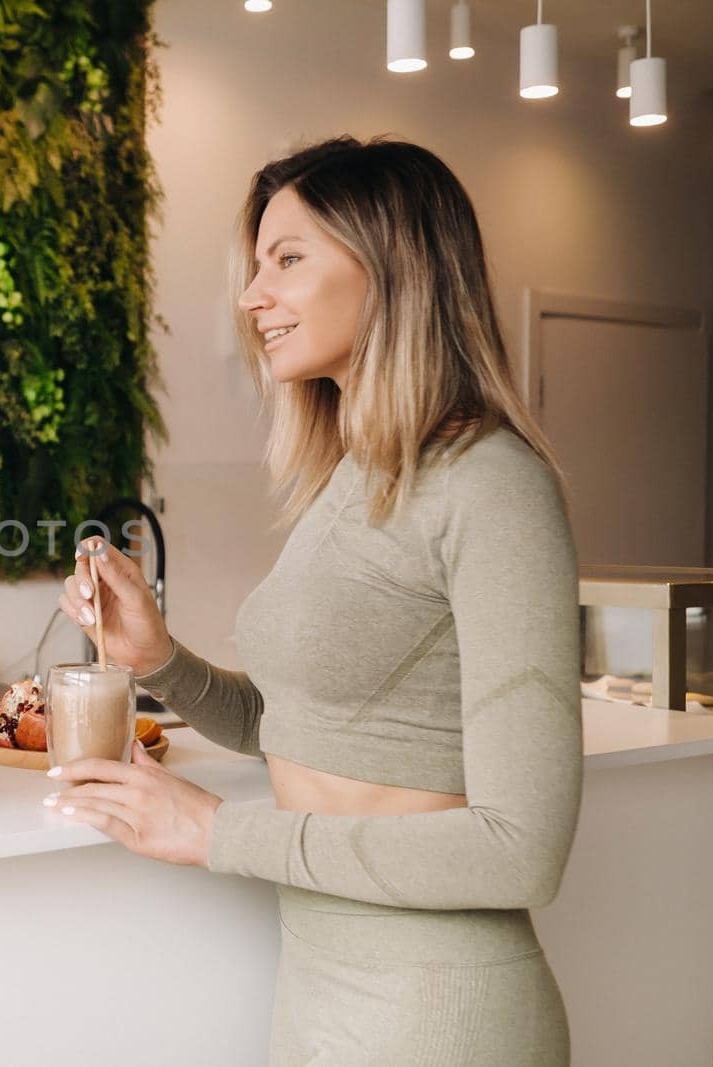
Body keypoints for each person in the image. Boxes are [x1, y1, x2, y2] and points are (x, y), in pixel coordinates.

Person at [53, 137, 579, 1064]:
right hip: (319, 996)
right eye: (255, 267)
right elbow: (299, 726)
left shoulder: (493, 484)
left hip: (438, 1013)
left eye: (287, 259)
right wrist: (159, 661)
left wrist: (220, 832)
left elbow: (520, 846)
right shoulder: (356, 475)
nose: (253, 297)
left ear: (394, 270)